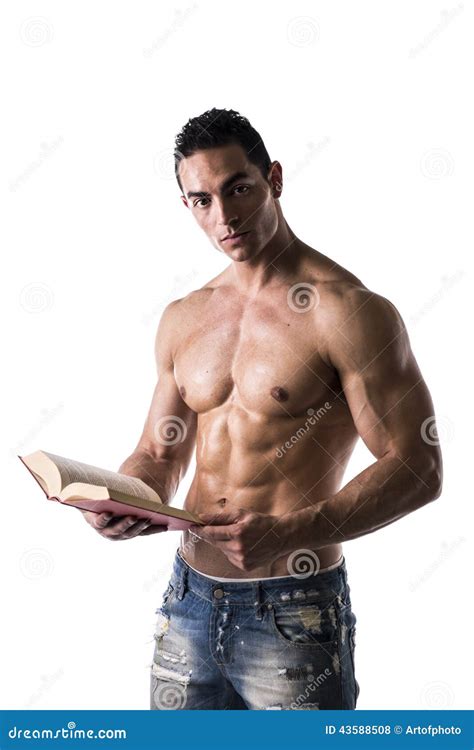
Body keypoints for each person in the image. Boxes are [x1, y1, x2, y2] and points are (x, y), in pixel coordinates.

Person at [81, 108, 443, 710]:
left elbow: (418, 468)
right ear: (186, 205)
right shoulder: (186, 315)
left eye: (238, 189)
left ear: (273, 178)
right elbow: (157, 453)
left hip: (293, 608)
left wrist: (289, 533)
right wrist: (125, 497)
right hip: (187, 600)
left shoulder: (348, 311)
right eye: (201, 200)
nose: (222, 216)